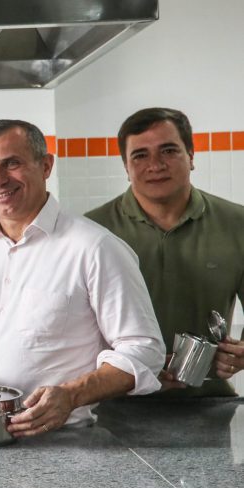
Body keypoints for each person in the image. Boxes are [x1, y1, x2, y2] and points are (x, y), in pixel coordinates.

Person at [0, 119, 166, 436]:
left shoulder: (94, 247)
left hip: (66, 438)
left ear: (45, 166)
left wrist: (70, 395)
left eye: (11, 164)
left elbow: (144, 350)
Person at [86, 107, 244, 395]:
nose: (155, 165)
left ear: (191, 155)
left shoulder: (238, 224)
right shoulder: (91, 231)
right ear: (125, 165)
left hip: (208, 402)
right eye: (140, 155)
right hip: (111, 404)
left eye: (168, 151)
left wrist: (240, 353)